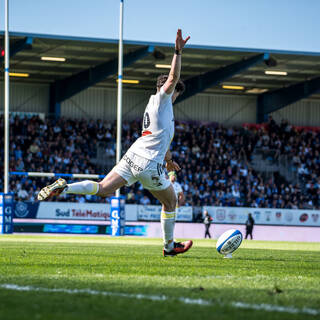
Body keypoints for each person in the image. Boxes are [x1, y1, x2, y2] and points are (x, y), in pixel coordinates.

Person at [38, 29, 192, 257]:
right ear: (168, 90)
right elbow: (172, 78)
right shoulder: (162, 99)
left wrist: (169, 161)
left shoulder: (160, 109)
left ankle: (65, 187)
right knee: (170, 203)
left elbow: (161, 141)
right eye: (175, 92)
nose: (176, 95)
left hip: (134, 154)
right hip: (148, 162)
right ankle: (169, 247)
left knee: (103, 189)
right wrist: (178, 51)